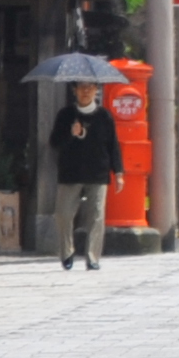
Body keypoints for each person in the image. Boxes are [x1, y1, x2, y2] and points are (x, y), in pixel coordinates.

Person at [52, 80, 124, 270]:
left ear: (95, 90)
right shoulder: (66, 115)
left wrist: (118, 172)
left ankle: (93, 257)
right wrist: (71, 133)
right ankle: (67, 252)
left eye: (90, 87)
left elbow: (113, 146)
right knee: (63, 215)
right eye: (81, 87)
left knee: (96, 216)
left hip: (98, 173)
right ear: (74, 90)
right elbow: (54, 143)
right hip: (70, 173)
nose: (86, 91)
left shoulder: (104, 116)